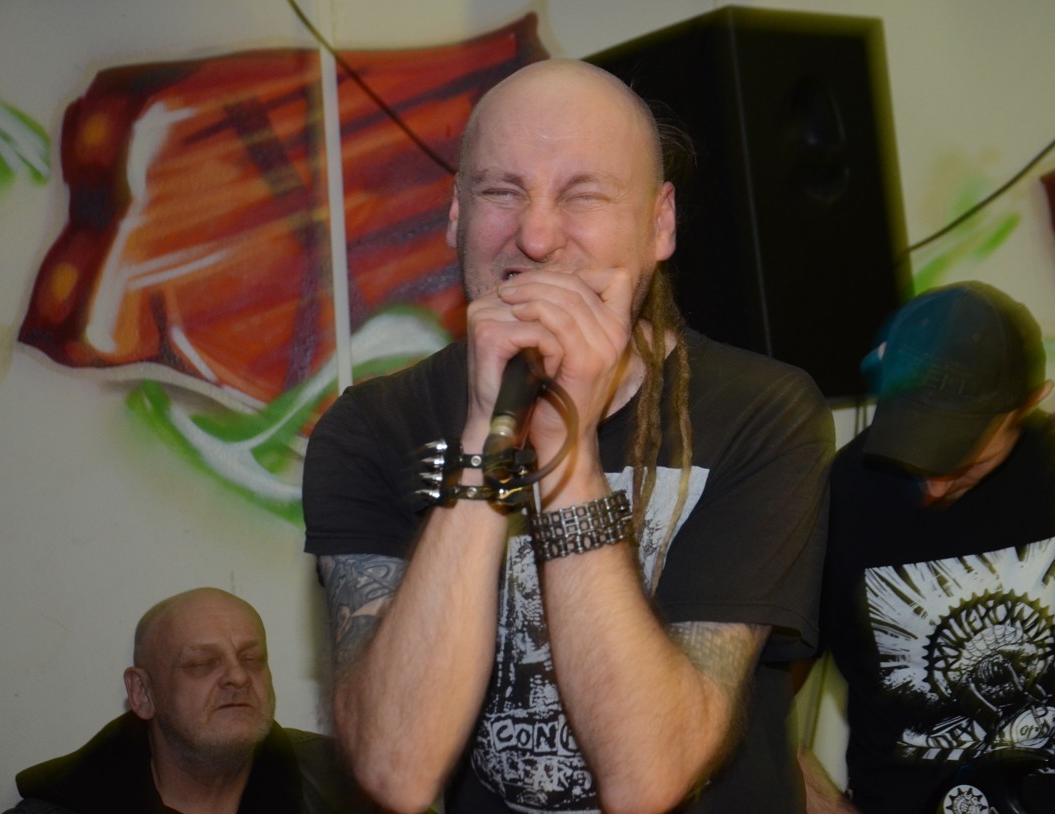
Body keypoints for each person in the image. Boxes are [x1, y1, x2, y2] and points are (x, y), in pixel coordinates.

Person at [302, 58, 834, 814]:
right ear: (455, 215)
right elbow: (397, 769)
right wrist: (488, 438)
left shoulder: (763, 412)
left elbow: (648, 776)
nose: (536, 236)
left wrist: (565, 453)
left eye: (583, 195)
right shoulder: (371, 428)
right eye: (501, 192)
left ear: (659, 223)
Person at [801, 281, 1055, 814]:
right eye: (915, 445)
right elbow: (756, 713)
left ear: (1029, 403)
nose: (934, 484)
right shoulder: (828, 501)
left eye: (965, 456)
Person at [6, 587, 373, 814]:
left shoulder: (350, 787)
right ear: (142, 694)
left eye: (252, 659)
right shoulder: (66, 805)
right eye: (201, 664)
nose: (238, 677)